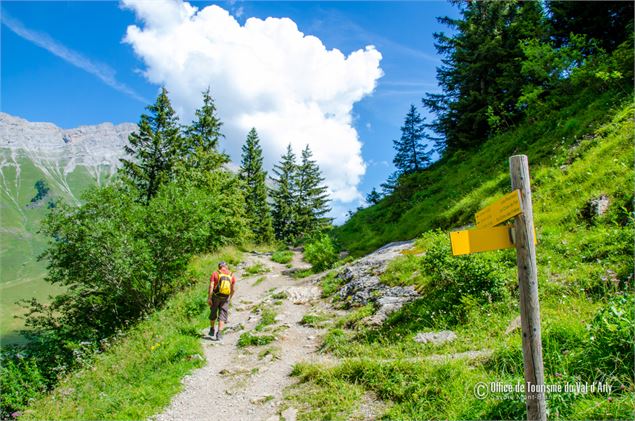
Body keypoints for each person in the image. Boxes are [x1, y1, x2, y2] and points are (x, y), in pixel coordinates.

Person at [208, 261, 236, 341]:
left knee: (213, 312)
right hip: (225, 297)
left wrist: (209, 297)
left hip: (216, 296)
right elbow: (233, 289)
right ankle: (219, 333)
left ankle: (212, 329)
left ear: (219, 267)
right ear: (226, 266)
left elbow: (211, 286)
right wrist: (230, 297)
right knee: (222, 314)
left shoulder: (215, 273)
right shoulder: (231, 275)